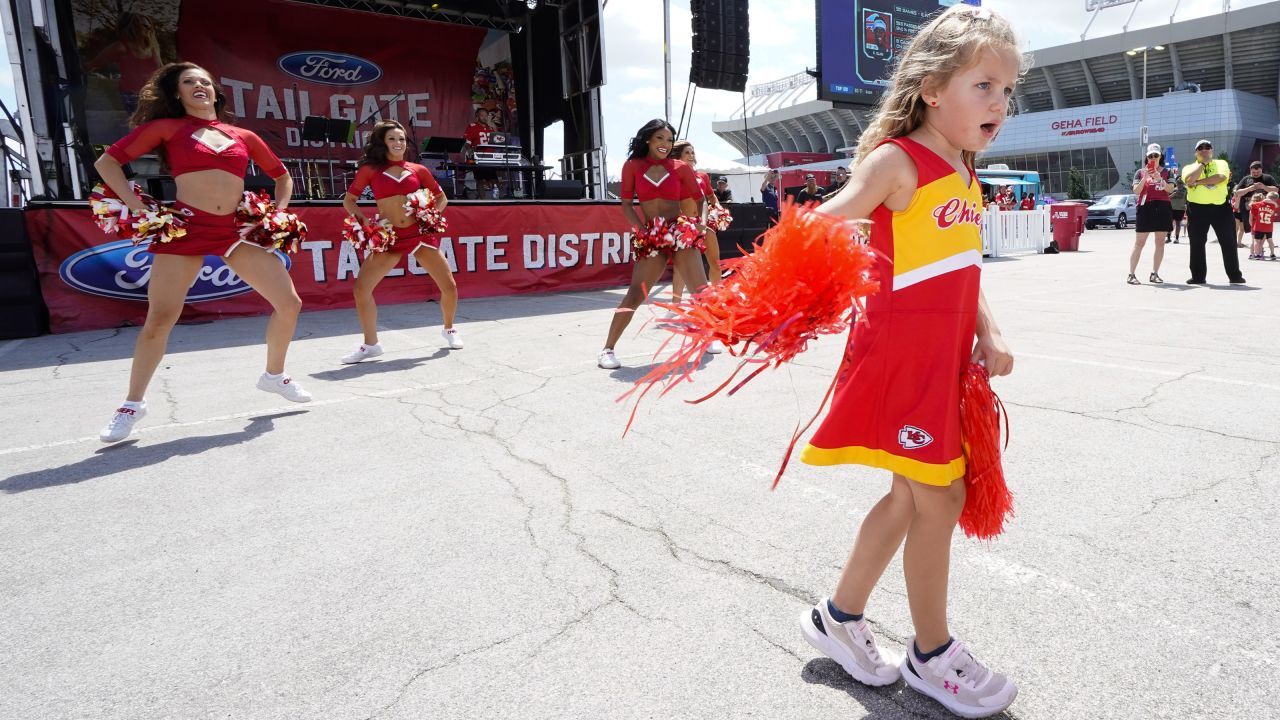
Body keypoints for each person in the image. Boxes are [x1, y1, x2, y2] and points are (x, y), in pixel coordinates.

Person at [793, 6, 1020, 718]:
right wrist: (780, 268)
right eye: (984, 86)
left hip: (943, 363)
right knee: (940, 498)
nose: (999, 104)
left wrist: (987, 329)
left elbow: (960, 266)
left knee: (905, 500)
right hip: (901, 361)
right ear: (931, 88)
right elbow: (829, 218)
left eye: (1007, 92)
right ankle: (931, 654)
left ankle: (839, 616)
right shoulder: (898, 161)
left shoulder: (963, 167)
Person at [95, 62, 310, 443]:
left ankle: (274, 376)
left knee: (289, 303)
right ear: (176, 93)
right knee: (160, 319)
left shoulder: (242, 134)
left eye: (205, 82)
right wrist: (134, 202)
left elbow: (282, 176)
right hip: (185, 230)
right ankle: (132, 405)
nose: (199, 86)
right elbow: (107, 162)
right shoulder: (168, 128)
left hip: (232, 231)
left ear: (215, 92)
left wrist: (274, 214)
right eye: (189, 81)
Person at [338, 120, 462, 363]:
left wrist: (430, 218)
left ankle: (449, 329)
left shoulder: (418, 170)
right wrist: (365, 222)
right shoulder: (371, 169)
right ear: (382, 142)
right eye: (392, 139)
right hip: (389, 238)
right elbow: (349, 200)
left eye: (402, 139)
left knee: (449, 286)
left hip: (419, 236)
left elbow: (441, 198)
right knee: (361, 290)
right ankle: (371, 344)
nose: (398, 143)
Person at [597, 120, 709, 369]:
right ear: (648, 139)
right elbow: (626, 204)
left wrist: (700, 222)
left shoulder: (680, 167)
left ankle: (708, 337)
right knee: (635, 294)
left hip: (679, 232)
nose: (665, 145)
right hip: (652, 234)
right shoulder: (633, 166)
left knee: (701, 291)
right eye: (660, 138)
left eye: (669, 140)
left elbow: (701, 201)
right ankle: (607, 349)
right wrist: (640, 230)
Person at [669, 141, 726, 344]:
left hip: (704, 224)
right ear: (678, 155)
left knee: (715, 262)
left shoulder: (702, 176)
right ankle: (676, 304)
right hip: (685, 225)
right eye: (687, 152)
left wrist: (718, 209)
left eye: (693, 152)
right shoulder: (674, 174)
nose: (691, 155)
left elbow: (711, 197)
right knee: (682, 268)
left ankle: (717, 301)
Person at [1181, 139, 1244, 285]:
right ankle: (1198, 276)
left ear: (1212, 150)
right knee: (1196, 243)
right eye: (1200, 148)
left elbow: (1221, 178)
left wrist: (1197, 182)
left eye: (1207, 147)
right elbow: (1189, 179)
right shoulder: (1188, 167)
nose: (1204, 150)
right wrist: (1202, 165)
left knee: (1228, 241)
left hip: (1220, 207)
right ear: (1196, 152)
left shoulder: (1221, 163)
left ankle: (1234, 276)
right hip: (1196, 209)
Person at [84, 12, 163, 114]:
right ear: (132, 27)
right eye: (144, 25)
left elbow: (161, 69)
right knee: (145, 124)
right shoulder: (121, 47)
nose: (149, 28)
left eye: (149, 26)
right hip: (132, 95)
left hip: (152, 95)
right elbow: (94, 63)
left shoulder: (153, 48)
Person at [1127, 143, 1171, 285]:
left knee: (1160, 242)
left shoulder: (1167, 172)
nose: (1153, 158)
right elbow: (1136, 191)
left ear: (1160, 156)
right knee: (1139, 242)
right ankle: (1131, 274)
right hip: (1145, 206)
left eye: (1155, 155)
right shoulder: (1139, 172)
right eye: (1150, 156)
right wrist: (1145, 178)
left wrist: (1159, 178)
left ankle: (1154, 273)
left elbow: (1170, 189)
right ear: (1147, 157)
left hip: (1163, 206)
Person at [1233, 160, 1278, 249]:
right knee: (1252, 226)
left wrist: (1264, 187)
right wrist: (1250, 188)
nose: (1256, 174)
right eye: (1254, 172)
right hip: (1248, 207)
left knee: (1264, 226)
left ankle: (1259, 245)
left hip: (1264, 208)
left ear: (1262, 170)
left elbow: (1276, 190)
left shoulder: (1267, 178)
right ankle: (1256, 244)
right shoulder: (1246, 179)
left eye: (1258, 172)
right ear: (1250, 170)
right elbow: (1238, 192)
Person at [462, 107, 499, 198]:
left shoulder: (491, 127)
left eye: (486, 115)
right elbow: (466, 143)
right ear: (477, 116)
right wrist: (470, 151)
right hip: (479, 158)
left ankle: (496, 199)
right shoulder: (472, 127)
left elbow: (499, 138)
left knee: (494, 179)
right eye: (482, 115)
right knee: (480, 180)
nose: (484, 117)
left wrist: (493, 126)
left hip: (491, 157)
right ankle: (483, 201)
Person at [1248, 190, 1276, 260]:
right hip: (1266, 227)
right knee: (1265, 241)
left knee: (1255, 241)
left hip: (1257, 226)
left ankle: (1254, 254)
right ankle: (1270, 253)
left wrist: (1252, 226)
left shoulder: (1256, 206)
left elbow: (1250, 219)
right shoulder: (1271, 206)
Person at [1167, 174, 1186, 243]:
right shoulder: (1172, 189)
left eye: (1181, 182)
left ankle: (1177, 238)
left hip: (1180, 209)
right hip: (1171, 209)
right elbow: (1167, 198)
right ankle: (1168, 237)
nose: (1180, 183)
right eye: (1178, 182)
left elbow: (1188, 200)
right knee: (1170, 223)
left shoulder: (1186, 190)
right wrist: (1173, 194)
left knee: (1178, 224)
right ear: (1176, 182)